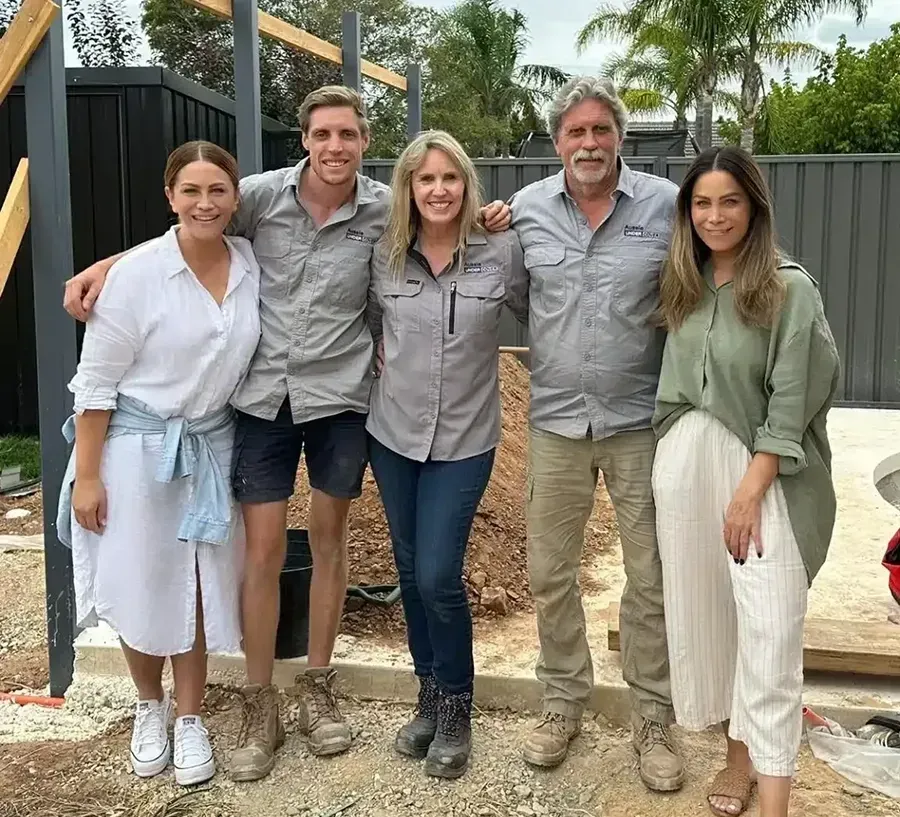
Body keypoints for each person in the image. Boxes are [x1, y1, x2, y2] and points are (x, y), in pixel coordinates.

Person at [62, 85, 512, 782]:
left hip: (341, 402)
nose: (336, 146)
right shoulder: (259, 197)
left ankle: (321, 688)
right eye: (324, 133)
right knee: (262, 550)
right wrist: (106, 266)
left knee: (330, 543)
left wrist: (488, 215)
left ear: (365, 142)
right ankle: (260, 699)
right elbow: (188, 229)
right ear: (304, 138)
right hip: (262, 401)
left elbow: (440, 232)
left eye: (349, 135)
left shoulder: (381, 211)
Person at [56, 141, 261, 786]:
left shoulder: (250, 261)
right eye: (191, 192)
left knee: (199, 583)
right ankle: (150, 706)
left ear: (236, 198)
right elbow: (95, 384)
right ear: (169, 197)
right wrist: (88, 476)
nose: (206, 204)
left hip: (210, 444)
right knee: (142, 578)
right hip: (135, 451)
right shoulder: (137, 278)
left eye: (218, 191)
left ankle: (191, 717)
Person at [651, 146, 840, 817]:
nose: (714, 215)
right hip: (684, 469)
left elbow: (793, 399)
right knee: (714, 622)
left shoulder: (790, 288)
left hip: (763, 479)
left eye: (729, 200)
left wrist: (750, 487)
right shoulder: (684, 283)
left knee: (769, 627)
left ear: (755, 206)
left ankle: (776, 800)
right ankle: (739, 757)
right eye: (701, 202)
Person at [509, 75, 684, 791]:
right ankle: (563, 702)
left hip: (640, 423)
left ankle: (653, 717)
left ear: (620, 137)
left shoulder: (667, 209)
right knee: (550, 572)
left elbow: (690, 297)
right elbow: (520, 299)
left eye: (600, 130)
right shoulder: (524, 211)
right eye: (575, 132)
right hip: (553, 421)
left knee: (650, 577)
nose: (588, 143)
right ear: (557, 142)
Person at [366, 130, 528, 778]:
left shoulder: (499, 251)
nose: (437, 190)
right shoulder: (384, 256)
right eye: (424, 179)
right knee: (409, 577)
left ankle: (459, 704)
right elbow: (366, 324)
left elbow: (545, 307)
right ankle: (428, 696)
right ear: (408, 189)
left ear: (467, 185)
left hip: (464, 441)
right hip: (393, 436)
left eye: (449, 178)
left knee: (437, 573)